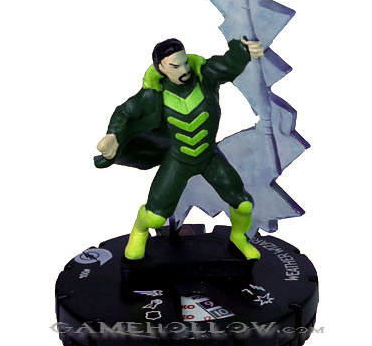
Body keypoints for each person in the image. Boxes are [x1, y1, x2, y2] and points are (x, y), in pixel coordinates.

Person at [96, 37, 264, 260]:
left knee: (243, 205)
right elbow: (125, 112)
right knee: (155, 217)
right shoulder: (154, 94)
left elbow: (227, 65)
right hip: (178, 161)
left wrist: (242, 51)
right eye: (175, 66)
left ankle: (239, 237)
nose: (184, 70)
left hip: (208, 157)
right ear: (161, 68)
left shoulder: (204, 76)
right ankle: (140, 229)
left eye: (185, 63)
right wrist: (113, 135)